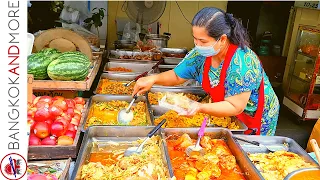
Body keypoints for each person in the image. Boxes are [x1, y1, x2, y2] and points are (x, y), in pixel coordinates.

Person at [132, 7, 280, 136]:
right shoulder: (201, 55)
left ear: (222, 39)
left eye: (202, 41)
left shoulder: (242, 63)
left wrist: (199, 107)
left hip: (256, 115)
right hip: (226, 111)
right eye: (195, 39)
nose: (197, 45)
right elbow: (177, 75)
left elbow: (235, 106)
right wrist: (153, 79)